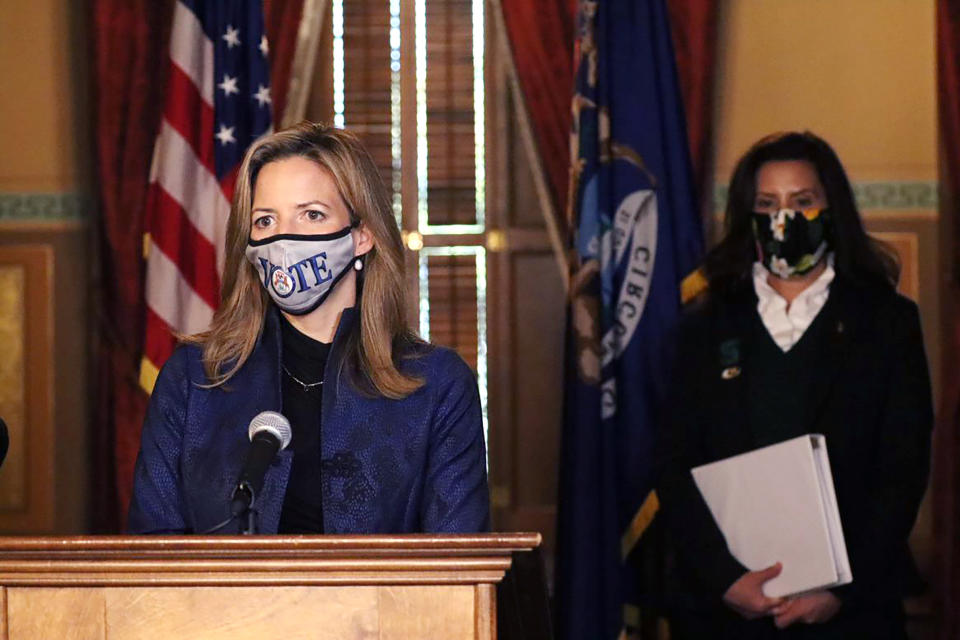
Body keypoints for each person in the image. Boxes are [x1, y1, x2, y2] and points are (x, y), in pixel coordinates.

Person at [128, 122, 490, 535]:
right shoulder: (193, 379)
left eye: (311, 215)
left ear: (362, 236)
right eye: (265, 220)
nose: (284, 238)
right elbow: (152, 550)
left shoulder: (436, 386)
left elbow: (459, 565)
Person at [657, 131, 931, 639]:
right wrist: (727, 580)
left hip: (854, 612)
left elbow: (903, 470)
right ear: (747, 215)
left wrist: (838, 591)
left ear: (832, 209)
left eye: (802, 201)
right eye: (768, 204)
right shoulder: (702, 326)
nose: (784, 218)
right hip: (722, 611)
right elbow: (673, 464)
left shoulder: (887, 323)